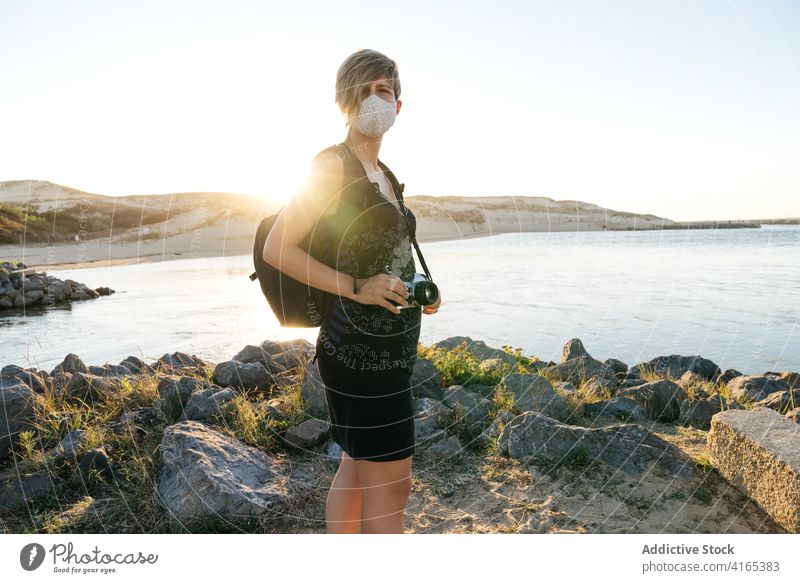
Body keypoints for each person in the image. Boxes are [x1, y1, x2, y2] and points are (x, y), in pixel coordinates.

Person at [263, 49, 441, 534]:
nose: (374, 100)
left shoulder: (386, 177)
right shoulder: (332, 165)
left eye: (383, 91)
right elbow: (281, 247)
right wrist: (356, 287)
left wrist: (420, 289)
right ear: (345, 102)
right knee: (392, 485)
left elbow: (385, 252)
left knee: (359, 468)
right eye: (363, 91)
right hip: (357, 351)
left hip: (392, 348)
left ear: (398, 107)